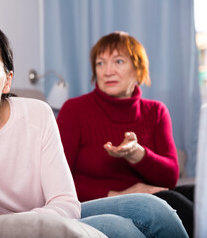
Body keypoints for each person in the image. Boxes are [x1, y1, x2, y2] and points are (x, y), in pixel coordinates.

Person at [0, 20, 188, 237]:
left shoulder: (37, 114)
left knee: (155, 209)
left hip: (44, 218)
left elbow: (66, 204)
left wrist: (9, 221)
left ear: (7, 80)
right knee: (122, 230)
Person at [57, 31, 194, 237]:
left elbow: (171, 177)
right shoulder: (74, 110)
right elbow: (57, 180)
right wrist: (119, 195)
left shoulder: (156, 111)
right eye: (100, 63)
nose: (107, 71)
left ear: (138, 69)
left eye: (118, 61)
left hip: (150, 198)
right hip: (98, 201)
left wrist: (137, 154)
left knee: (199, 195)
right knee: (175, 204)